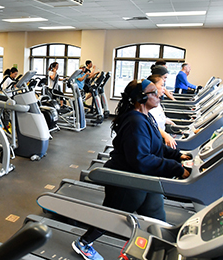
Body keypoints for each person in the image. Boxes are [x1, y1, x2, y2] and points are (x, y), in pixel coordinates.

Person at [72, 79, 190, 260]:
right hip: (127, 181)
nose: (159, 94)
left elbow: (155, 145)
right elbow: (140, 159)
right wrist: (175, 168)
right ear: (141, 98)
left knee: (156, 216)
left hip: (144, 179)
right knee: (114, 216)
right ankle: (83, 242)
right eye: (153, 92)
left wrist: (177, 156)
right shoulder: (135, 121)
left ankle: (163, 248)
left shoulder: (146, 117)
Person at [147, 74, 178, 149]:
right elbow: (152, 124)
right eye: (161, 85)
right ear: (153, 87)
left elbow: (158, 117)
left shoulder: (157, 103)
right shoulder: (150, 105)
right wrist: (165, 135)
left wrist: (166, 120)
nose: (164, 89)